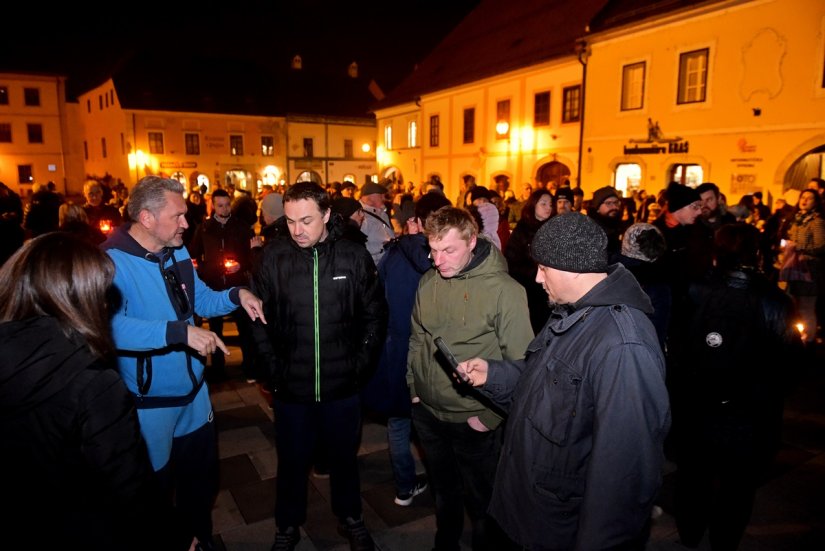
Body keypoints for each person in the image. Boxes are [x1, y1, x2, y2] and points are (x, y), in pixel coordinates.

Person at [457, 213, 671, 550]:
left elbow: (623, 473)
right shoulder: (573, 311)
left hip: (561, 528)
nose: (538, 278)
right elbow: (542, 387)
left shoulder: (623, 346)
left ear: (572, 267)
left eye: (544, 268)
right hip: (533, 511)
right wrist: (493, 374)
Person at [0, 232, 194, 551]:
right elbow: (131, 490)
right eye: (102, 293)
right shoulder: (94, 386)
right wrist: (179, 537)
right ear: (79, 298)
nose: (107, 303)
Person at [102, 175, 266, 550]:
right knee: (154, 493)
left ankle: (201, 539)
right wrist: (177, 333)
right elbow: (107, 327)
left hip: (195, 395)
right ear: (146, 218)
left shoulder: (176, 251)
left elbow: (201, 300)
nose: (186, 224)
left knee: (200, 485)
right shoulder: (111, 262)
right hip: (150, 405)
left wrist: (237, 294)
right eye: (178, 216)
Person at [250, 182, 387, 551]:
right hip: (291, 388)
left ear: (326, 215)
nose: (297, 229)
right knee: (292, 464)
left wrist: (359, 367)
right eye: (291, 220)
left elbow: (376, 316)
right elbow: (256, 320)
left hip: (342, 386)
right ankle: (287, 527)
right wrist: (273, 370)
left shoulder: (353, 256)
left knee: (344, 460)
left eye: (306, 220)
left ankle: (351, 519)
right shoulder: (274, 257)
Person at [407, 206, 533, 551]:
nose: (438, 260)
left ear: (472, 241)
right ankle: (444, 544)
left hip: (473, 419)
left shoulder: (505, 290)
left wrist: (489, 417)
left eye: (448, 250)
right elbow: (418, 338)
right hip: (429, 415)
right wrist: (415, 389)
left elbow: (522, 364)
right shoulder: (428, 280)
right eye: (432, 250)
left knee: (483, 503)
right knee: (444, 493)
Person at [674, 222, 803, 549]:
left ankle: (689, 533)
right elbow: (791, 363)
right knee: (738, 486)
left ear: (717, 252)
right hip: (751, 412)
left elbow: (677, 347)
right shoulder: (776, 301)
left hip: (698, 406)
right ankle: (724, 540)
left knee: (694, 477)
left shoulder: (693, 290)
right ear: (757, 253)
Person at [361, 191, 452, 509]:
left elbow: (378, 299)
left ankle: (404, 487)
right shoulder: (440, 260)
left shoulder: (392, 254)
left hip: (396, 350)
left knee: (399, 424)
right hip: (428, 353)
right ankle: (445, 492)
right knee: (432, 428)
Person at [189, 188, 258, 382]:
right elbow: (194, 254)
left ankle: (249, 368)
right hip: (213, 286)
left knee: (245, 329)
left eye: (227, 204)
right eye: (220, 205)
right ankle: (218, 370)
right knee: (215, 329)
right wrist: (204, 270)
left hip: (237, 286)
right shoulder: (204, 228)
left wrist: (241, 265)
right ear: (213, 205)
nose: (225, 208)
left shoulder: (242, 227)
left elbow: (251, 256)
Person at [504, 187, 554, 334]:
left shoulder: (554, 229)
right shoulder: (522, 231)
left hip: (550, 290)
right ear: (533, 205)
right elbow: (511, 262)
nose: (548, 208)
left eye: (550, 204)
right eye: (543, 204)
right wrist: (534, 272)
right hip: (529, 291)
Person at [782, 188, 825, 344]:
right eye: (802, 197)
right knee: (793, 305)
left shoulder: (817, 221)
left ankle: (809, 340)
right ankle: (797, 337)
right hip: (794, 267)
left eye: (809, 198)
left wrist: (798, 247)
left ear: (816, 202)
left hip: (809, 268)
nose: (804, 200)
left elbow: (820, 245)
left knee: (807, 307)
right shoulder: (796, 219)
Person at [588, 185, 629, 260]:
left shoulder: (620, 226)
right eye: (608, 203)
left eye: (616, 203)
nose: (614, 207)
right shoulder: (591, 230)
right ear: (597, 208)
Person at [359, 180, 395, 265]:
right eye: (380, 196)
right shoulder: (360, 215)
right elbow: (360, 245)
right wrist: (382, 246)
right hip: (374, 263)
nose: (384, 199)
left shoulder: (382, 212)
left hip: (388, 259)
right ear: (369, 198)